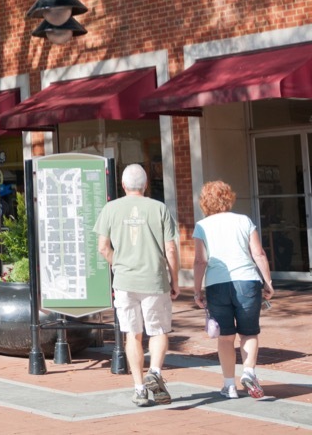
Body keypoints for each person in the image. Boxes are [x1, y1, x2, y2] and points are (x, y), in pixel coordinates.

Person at [94, 163, 179, 408]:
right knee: (159, 330)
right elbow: (170, 248)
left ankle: (139, 388)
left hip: (124, 281)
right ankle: (155, 370)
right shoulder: (159, 208)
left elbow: (102, 247)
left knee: (133, 334)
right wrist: (174, 279)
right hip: (154, 279)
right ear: (146, 185)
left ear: (122, 185)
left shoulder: (111, 208)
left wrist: (117, 262)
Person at [192, 180, 275, 399]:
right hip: (247, 281)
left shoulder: (202, 226)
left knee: (225, 337)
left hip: (217, 285)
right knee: (249, 332)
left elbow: (200, 261)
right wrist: (267, 281)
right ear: (229, 197)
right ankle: (248, 372)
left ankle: (229, 385)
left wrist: (197, 290)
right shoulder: (244, 220)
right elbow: (258, 253)